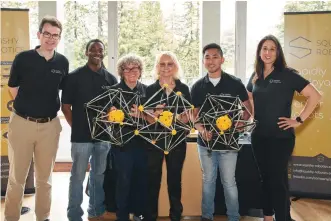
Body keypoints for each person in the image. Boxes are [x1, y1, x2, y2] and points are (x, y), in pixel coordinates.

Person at [246, 35, 321, 221]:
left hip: (281, 138)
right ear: (259, 52)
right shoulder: (255, 75)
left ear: (278, 52)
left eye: (272, 48)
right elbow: (249, 100)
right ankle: (268, 216)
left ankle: (283, 217)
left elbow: (315, 96)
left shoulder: (288, 74)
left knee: (277, 180)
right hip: (258, 136)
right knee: (265, 178)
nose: (268, 52)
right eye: (264, 48)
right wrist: (248, 118)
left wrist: (298, 119)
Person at [4, 16, 68, 221]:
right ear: (39, 34)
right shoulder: (23, 58)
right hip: (22, 124)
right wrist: (28, 110)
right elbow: (13, 89)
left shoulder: (62, 62)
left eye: (55, 35)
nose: (51, 38)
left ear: (59, 38)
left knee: (44, 179)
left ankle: (43, 216)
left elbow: (60, 91)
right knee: (17, 178)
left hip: (50, 126)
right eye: (47, 34)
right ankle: (11, 217)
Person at [190, 43, 252, 221]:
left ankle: (234, 217)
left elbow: (248, 109)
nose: (211, 60)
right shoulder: (197, 86)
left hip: (229, 143)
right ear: (203, 61)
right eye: (207, 57)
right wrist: (201, 130)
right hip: (205, 144)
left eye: (215, 56)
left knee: (229, 182)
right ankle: (207, 216)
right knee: (208, 181)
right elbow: (194, 116)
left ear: (222, 59)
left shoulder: (235, 83)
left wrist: (239, 125)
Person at [61, 39, 118, 221]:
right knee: (77, 177)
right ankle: (74, 214)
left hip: (103, 137)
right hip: (81, 138)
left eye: (99, 49)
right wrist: (76, 126)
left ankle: (95, 211)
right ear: (86, 53)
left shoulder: (111, 79)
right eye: (92, 49)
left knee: (98, 175)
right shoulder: (74, 77)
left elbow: (114, 110)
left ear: (103, 53)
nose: (96, 52)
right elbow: (66, 107)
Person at [145, 51, 191, 221]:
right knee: (153, 181)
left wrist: (182, 117)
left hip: (177, 141)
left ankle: (176, 216)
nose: (166, 68)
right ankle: (150, 217)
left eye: (169, 64)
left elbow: (189, 117)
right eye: (162, 64)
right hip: (154, 141)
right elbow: (147, 120)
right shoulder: (150, 89)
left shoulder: (183, 88)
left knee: (174, 180)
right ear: (157, 67)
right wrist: (155, 114)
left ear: (175, 66)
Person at [109, 54, 149, 221]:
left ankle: (139, 213)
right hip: (122, 144)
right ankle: (122, 216)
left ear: (140, 71)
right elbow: (106, 119)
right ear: (121, 72)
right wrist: (109, 114)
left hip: (144, 143)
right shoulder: (113, 92)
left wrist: (145, 115)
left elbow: (154, 118)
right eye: (127, 68)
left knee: (141, 181)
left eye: (135, 68)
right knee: (123, 181)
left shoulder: (148, 91)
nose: (132, 71)